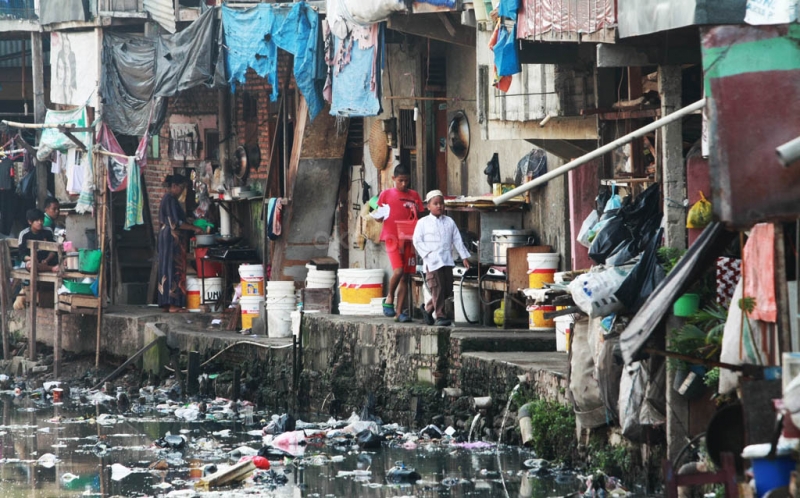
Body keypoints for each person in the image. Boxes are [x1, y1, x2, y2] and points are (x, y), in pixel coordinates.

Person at [412, 190, 471, 327]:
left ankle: (427, 309)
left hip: (447, 260)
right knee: (437, 288)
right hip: (432, 261)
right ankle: (440, 315)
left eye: (441, 203)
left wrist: (464, 257)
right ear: (429, 206)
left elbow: (457, 239)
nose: (439, 206)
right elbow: (417, 241)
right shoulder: (423, 223)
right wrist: (428, 254)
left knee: (447, 288)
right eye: (435, 203)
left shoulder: (449, 221)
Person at [377, 165, 423, 323]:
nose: (404, 184)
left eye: (407, 181)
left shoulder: (414, 195)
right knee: (398, 271)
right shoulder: (386, 194)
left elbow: (420, 216)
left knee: (406, 277)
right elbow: (378, 216)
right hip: (391, 237)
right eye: (400, 181)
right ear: (393, 179)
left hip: (409, 238)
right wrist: (378, 216)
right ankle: (389, 297)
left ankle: (399, 312)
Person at [157, 174, 203, 313]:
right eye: (181, 188)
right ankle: (173, 304)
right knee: (174, 269)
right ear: (174, 186)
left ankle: (166, 303)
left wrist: (190, 222)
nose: (183, 191)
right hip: (172, 238)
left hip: (167, 237)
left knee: (166, 268)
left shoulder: (169, 199)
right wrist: (194, 228)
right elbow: (175, 223)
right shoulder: (170, 199)